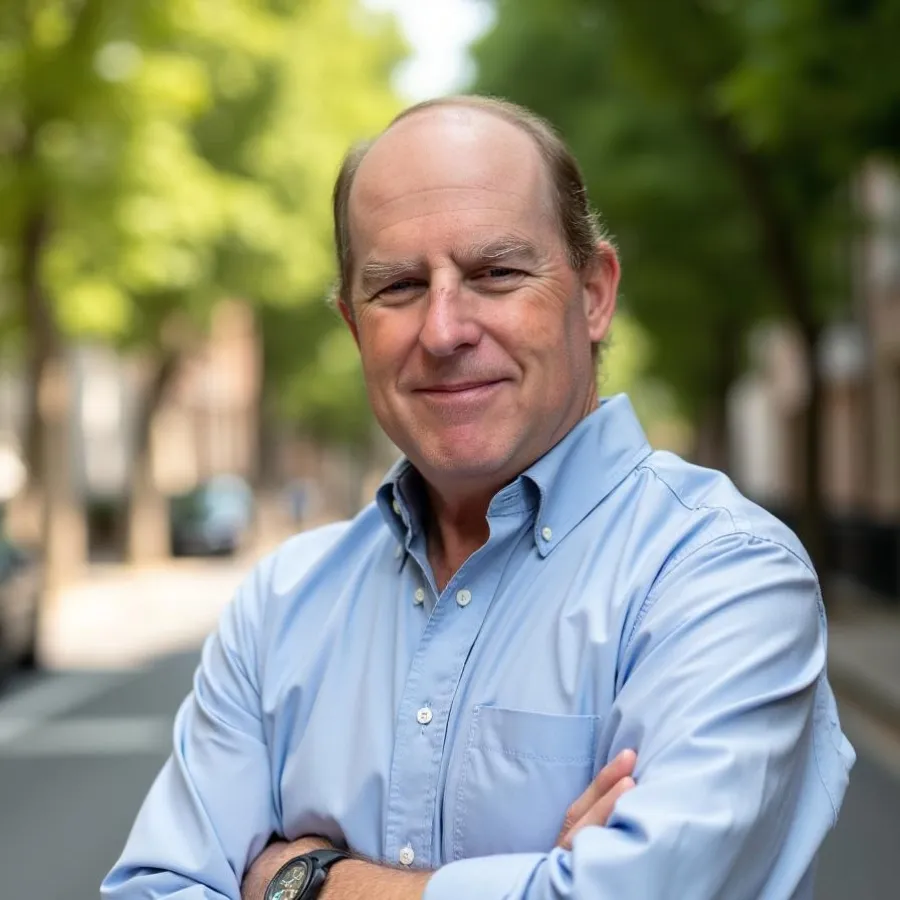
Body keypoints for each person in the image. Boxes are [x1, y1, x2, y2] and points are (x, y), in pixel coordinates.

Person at [102, 95, 854, 900]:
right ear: (354, 326)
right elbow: (153, 888)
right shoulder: (280, 605)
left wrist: (304, 880)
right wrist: (544, 879)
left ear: (594, 295)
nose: (445, 329)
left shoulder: (724, 574)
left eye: (496, 273)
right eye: (398, 287)